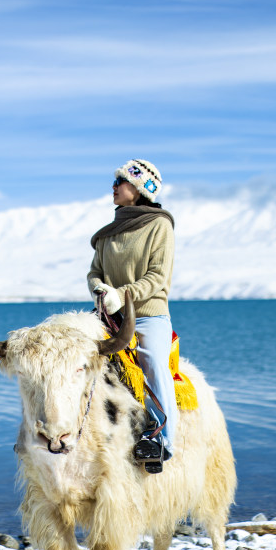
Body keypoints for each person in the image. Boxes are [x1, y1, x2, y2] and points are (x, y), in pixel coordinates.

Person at [87, 159, 178, 467]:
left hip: (148, 315)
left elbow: (157, 277)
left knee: (152, 362)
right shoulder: (106, 234)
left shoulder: (159, 225)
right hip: (109, 317)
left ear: (139, 190)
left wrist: (121, 296)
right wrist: (101, 290)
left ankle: (163, 441)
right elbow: (94, 273)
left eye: (120, 181)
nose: (113, 187)